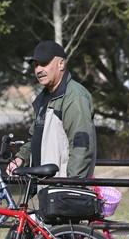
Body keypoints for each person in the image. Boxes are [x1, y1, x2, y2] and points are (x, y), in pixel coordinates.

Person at [6, 40, 96, 179]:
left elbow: (81, 145)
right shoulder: (44, 97)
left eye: (44, 64)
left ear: (61, 64)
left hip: (62, 186)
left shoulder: (74, 96)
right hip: (46, 184)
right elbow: (36, 137)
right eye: (36, 65)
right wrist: (20, 158)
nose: (39, 70)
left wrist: (72, 186)